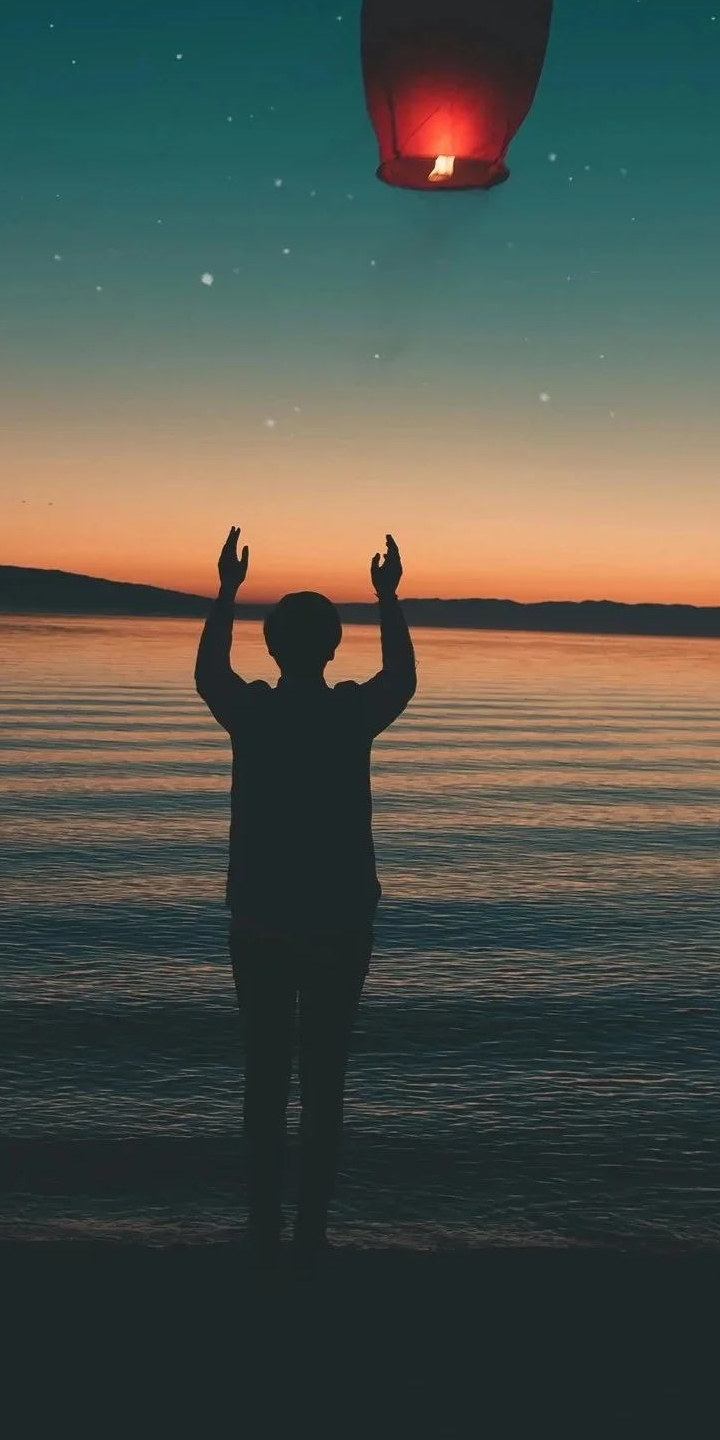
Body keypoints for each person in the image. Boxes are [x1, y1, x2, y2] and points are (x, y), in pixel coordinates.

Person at [195, 526, 417, 1273]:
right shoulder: (348, 713)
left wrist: (225, 588)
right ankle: (311, 1235)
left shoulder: (252, 713)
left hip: (259, 916)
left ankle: (264, 1230)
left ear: (273, 648)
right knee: (325, 1079)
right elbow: (402, 679)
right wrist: (389, 597)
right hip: (339, 917)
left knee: (264, 1076)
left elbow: (207, 674)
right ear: (330, 649)